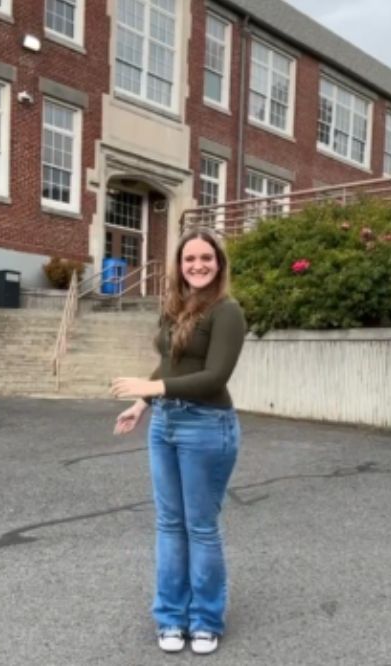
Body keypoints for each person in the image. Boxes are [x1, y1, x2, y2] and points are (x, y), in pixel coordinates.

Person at [110, 228, 247, 656]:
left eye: (206, 258)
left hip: (207, 424)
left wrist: (154, 389)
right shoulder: (174, 307)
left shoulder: (227, 312)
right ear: (179, 265)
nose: (198, 265)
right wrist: (140, 403)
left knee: (200, 528)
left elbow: (214, 377)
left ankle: (205, 619)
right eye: (190, 259)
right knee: (169, 524)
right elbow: (168, 363)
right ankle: (170, 616)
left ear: (219, 264)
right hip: (165, 424)